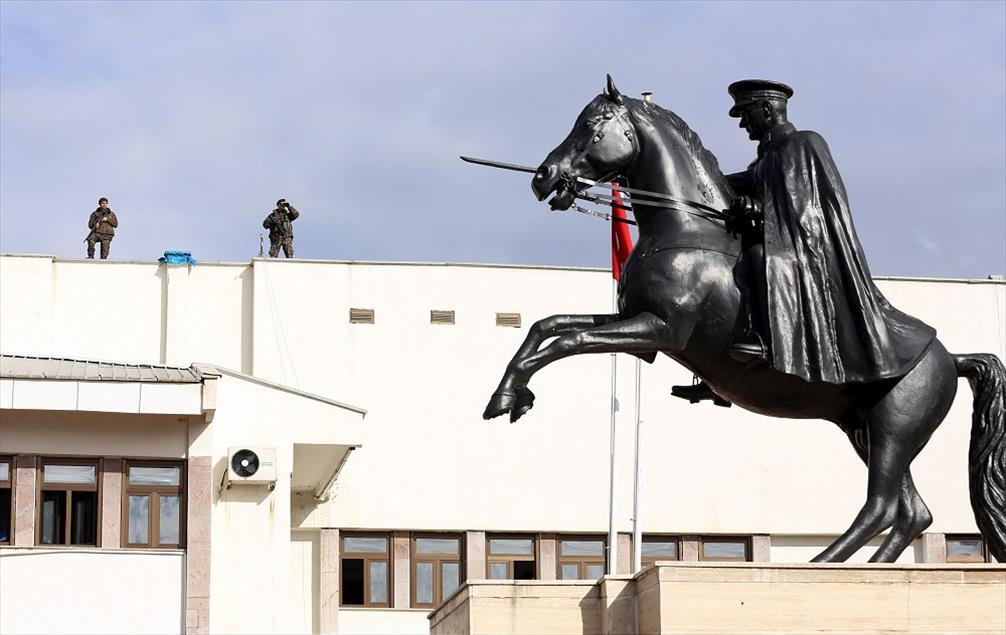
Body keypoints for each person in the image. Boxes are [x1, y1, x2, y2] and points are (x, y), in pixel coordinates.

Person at [673, 80, 936, 404]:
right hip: (780, 240)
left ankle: (759, 342)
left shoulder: (803, 144)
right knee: (722, 259)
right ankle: (716, 368)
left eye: (746, 114)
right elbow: (725, 187)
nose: (743, 124)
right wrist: (676, 186)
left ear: (767, 109)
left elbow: (806, 204)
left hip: (806, 249)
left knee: (755, 256)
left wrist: (758, 210)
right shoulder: (764, 160)